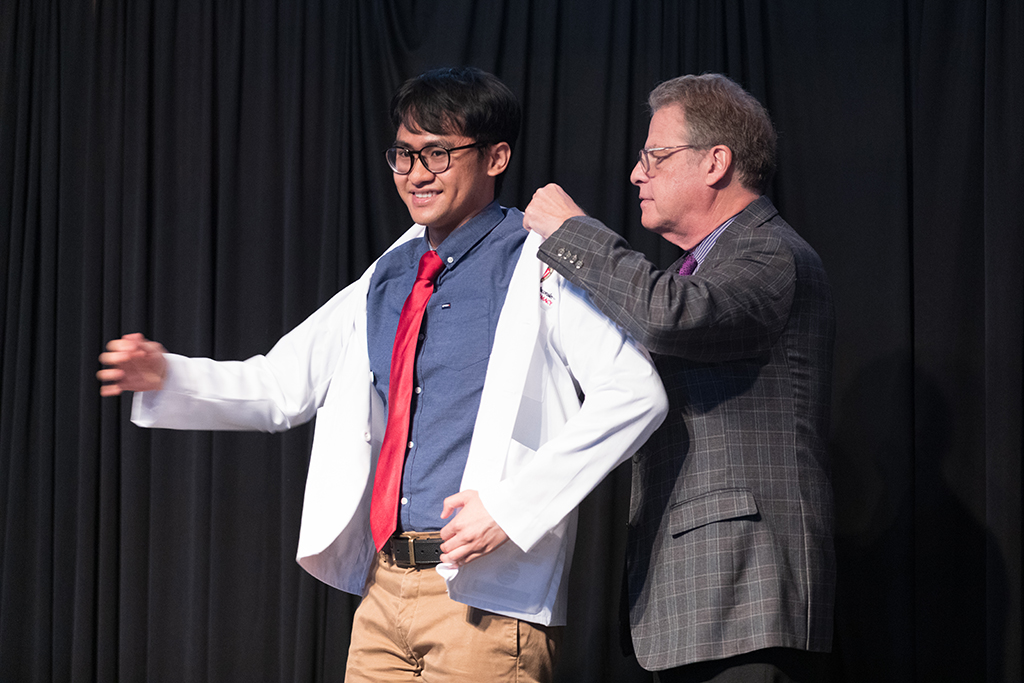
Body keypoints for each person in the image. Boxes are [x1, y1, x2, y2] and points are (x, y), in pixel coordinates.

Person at [98, 67, 667, 683]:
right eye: (404, 154)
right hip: (383, 590)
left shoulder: (535, 261)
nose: (417, 173)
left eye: (439, 153)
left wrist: (512, 506)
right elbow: (281, 385)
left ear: (497, 156)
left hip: (483, 603)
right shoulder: (392, 272)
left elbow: (634, 394)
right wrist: (166, 376)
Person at [523, 73, 836, 682]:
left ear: (717, 161)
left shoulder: (771, 253)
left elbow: (671, 316)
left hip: (743, 596)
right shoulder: (709, 264)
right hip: (695, 600)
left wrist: (571, 235)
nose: (637, 174)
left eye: (655, 156)